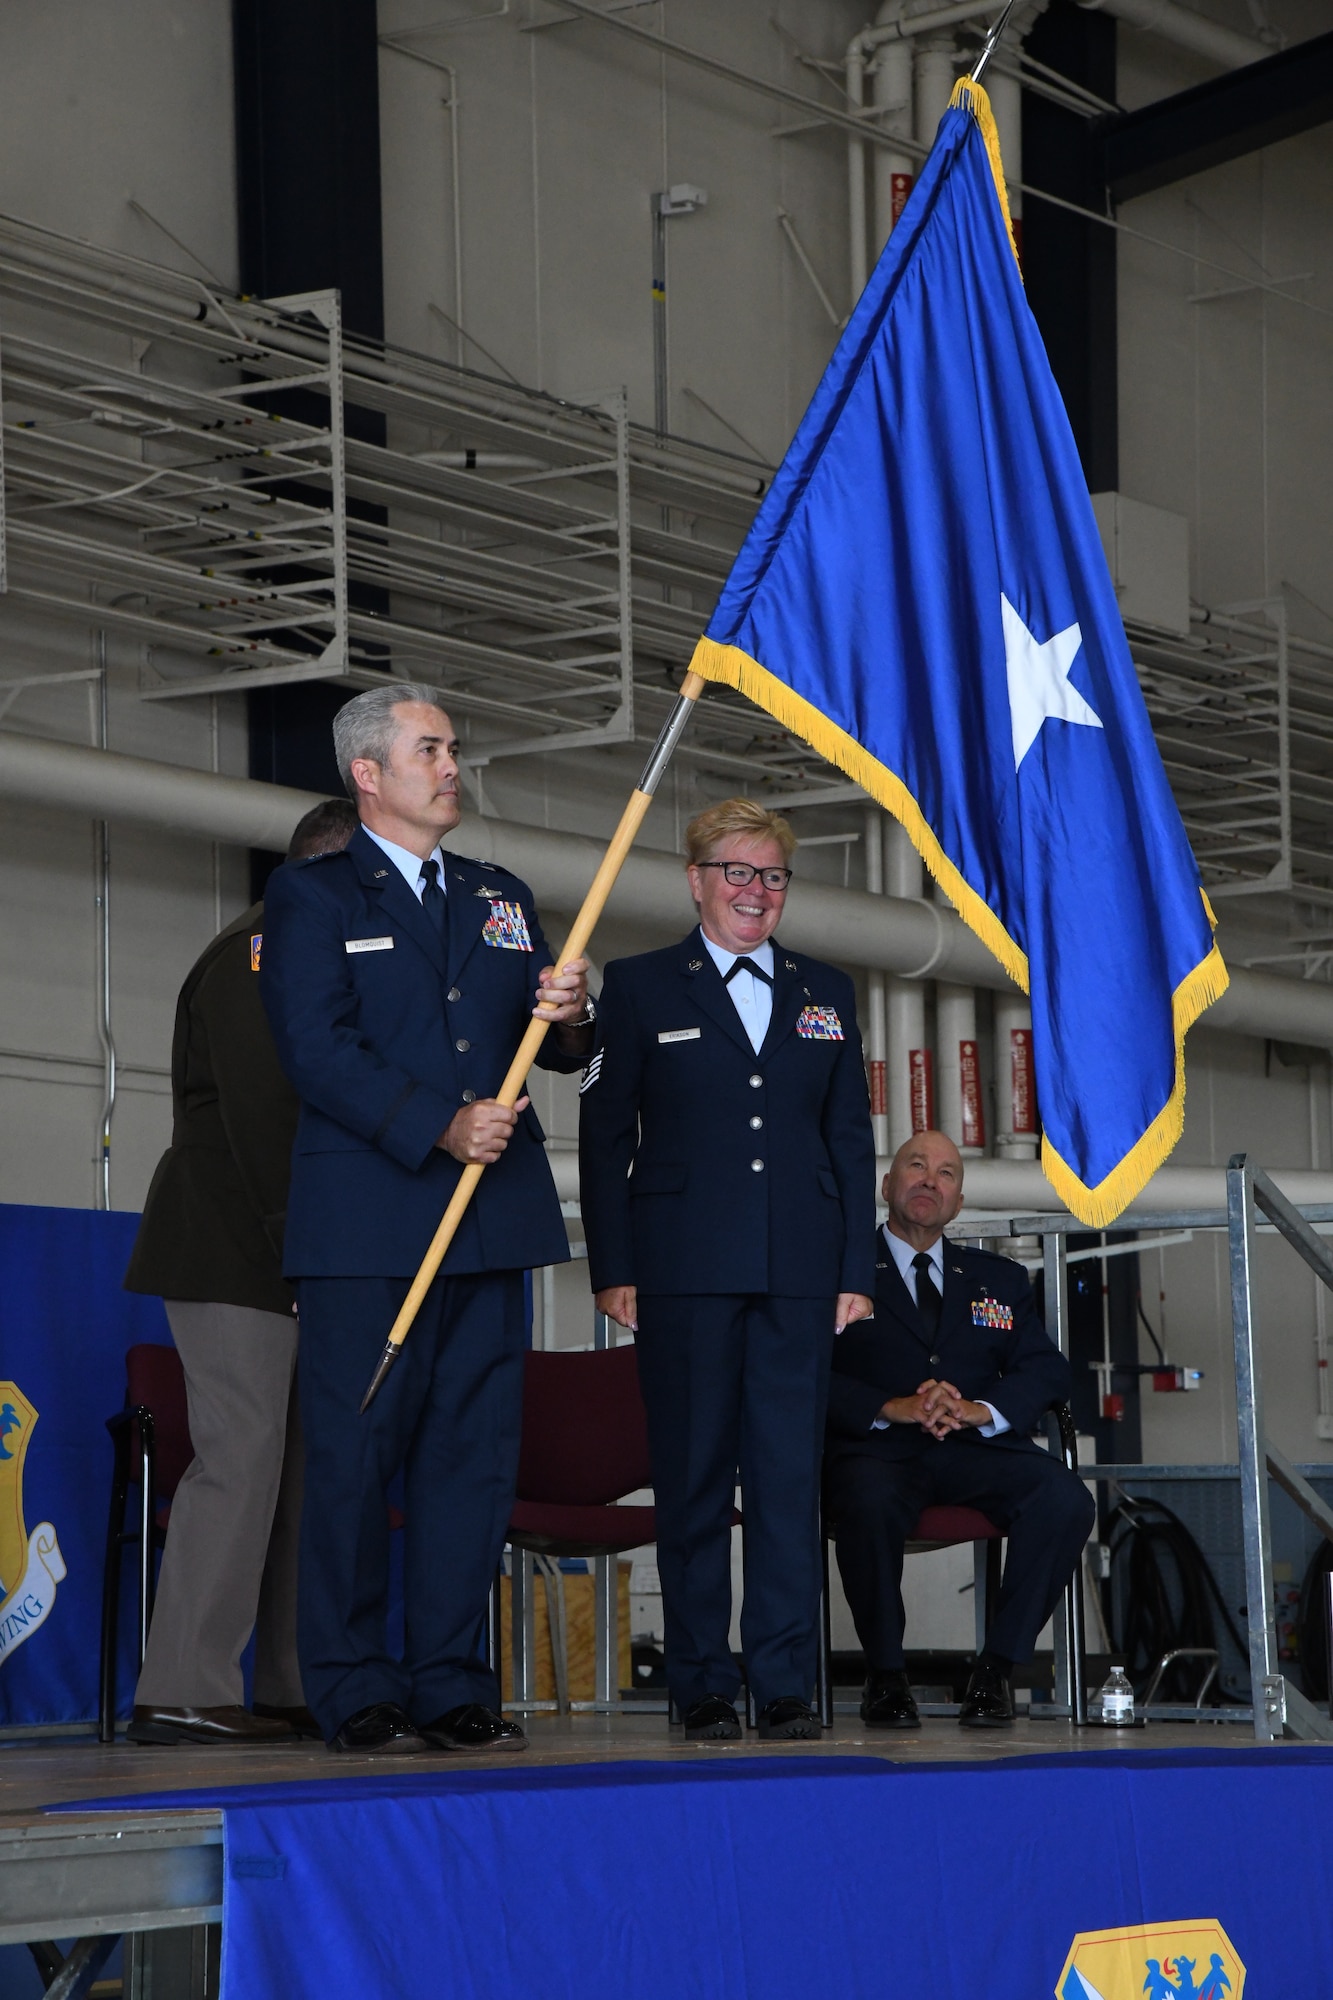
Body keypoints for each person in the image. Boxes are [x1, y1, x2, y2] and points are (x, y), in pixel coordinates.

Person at [260, 683, 593, 1754]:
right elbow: (314, 1049)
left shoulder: (501, 894)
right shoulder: (313, 897)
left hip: (489, 1222)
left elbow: (555, 1049)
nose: (452, 763)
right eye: (430, 748)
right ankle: (353, 1681)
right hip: (368, 1224)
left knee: (470, 1458)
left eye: (453, 745)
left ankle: (452, 1676)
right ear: (369, 773)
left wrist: (573, 1015)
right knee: (356, 1459)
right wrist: (437, 1123)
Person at [579, 798, 875, 1741]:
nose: (756, 892)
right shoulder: (638, 986)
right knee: (695, 1477)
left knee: (787, 1481)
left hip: (798, 1268)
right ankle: (701, 1678)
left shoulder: (828, 989)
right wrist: (613, 1264)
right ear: (697, 879)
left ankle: (784, 1679)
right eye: (738, 874)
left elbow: (847, 1137)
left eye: (772, 876)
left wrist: (854, 1268)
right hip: (680, 1268)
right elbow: (600, 1136)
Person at [123, 796, 359, 1746]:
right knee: (243, 1459)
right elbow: (265, 1118)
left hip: (298, 1248)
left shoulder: (314, 955)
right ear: (321, 869)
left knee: (302, 1470)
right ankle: (183, 1684)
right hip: (235, 1249)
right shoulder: (256, 952)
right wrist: (300, 1248)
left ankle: (291, 1680)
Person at [826, 1129, 1095, 1729]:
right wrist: (888, 1406)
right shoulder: (838, 1270)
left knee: (1065, 1499)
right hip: (879, 1452)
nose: (929, 1179)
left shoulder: (996, 1279)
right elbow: (800, 1371)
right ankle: (886, 1676)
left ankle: (996, 1672)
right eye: (916, 1166)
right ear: (887, 1185)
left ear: (959, 1201)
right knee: (864, 1501)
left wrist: (984, 1408)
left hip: (974, 1448)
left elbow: (1045, 1368)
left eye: (947, 1173)